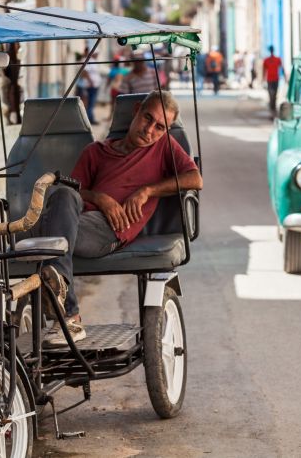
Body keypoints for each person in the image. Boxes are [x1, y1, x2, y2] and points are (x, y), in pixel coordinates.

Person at [37, 90, 203, 345]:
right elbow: (73, 193)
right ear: (136, 110)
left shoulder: (163, 148)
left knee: (50, 238)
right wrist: (101, 198)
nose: (150, 131)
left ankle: (68, 316)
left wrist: (147, 191)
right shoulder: (96, 151)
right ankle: (62, 299)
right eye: (148, 119)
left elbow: (195, 179)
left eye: (160, 127)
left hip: (108, 231)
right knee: (61, 194)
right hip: (77, 223)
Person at [262, 45, 285, 116]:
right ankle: (272, 107)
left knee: (274, 94)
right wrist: (263, 79)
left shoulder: (277, 59)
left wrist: (285, 76)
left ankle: (273, 107)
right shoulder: (267, 60)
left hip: (275, 79)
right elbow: (264, 70)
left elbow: (282, 68)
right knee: (271, 94)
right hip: (271, 79)